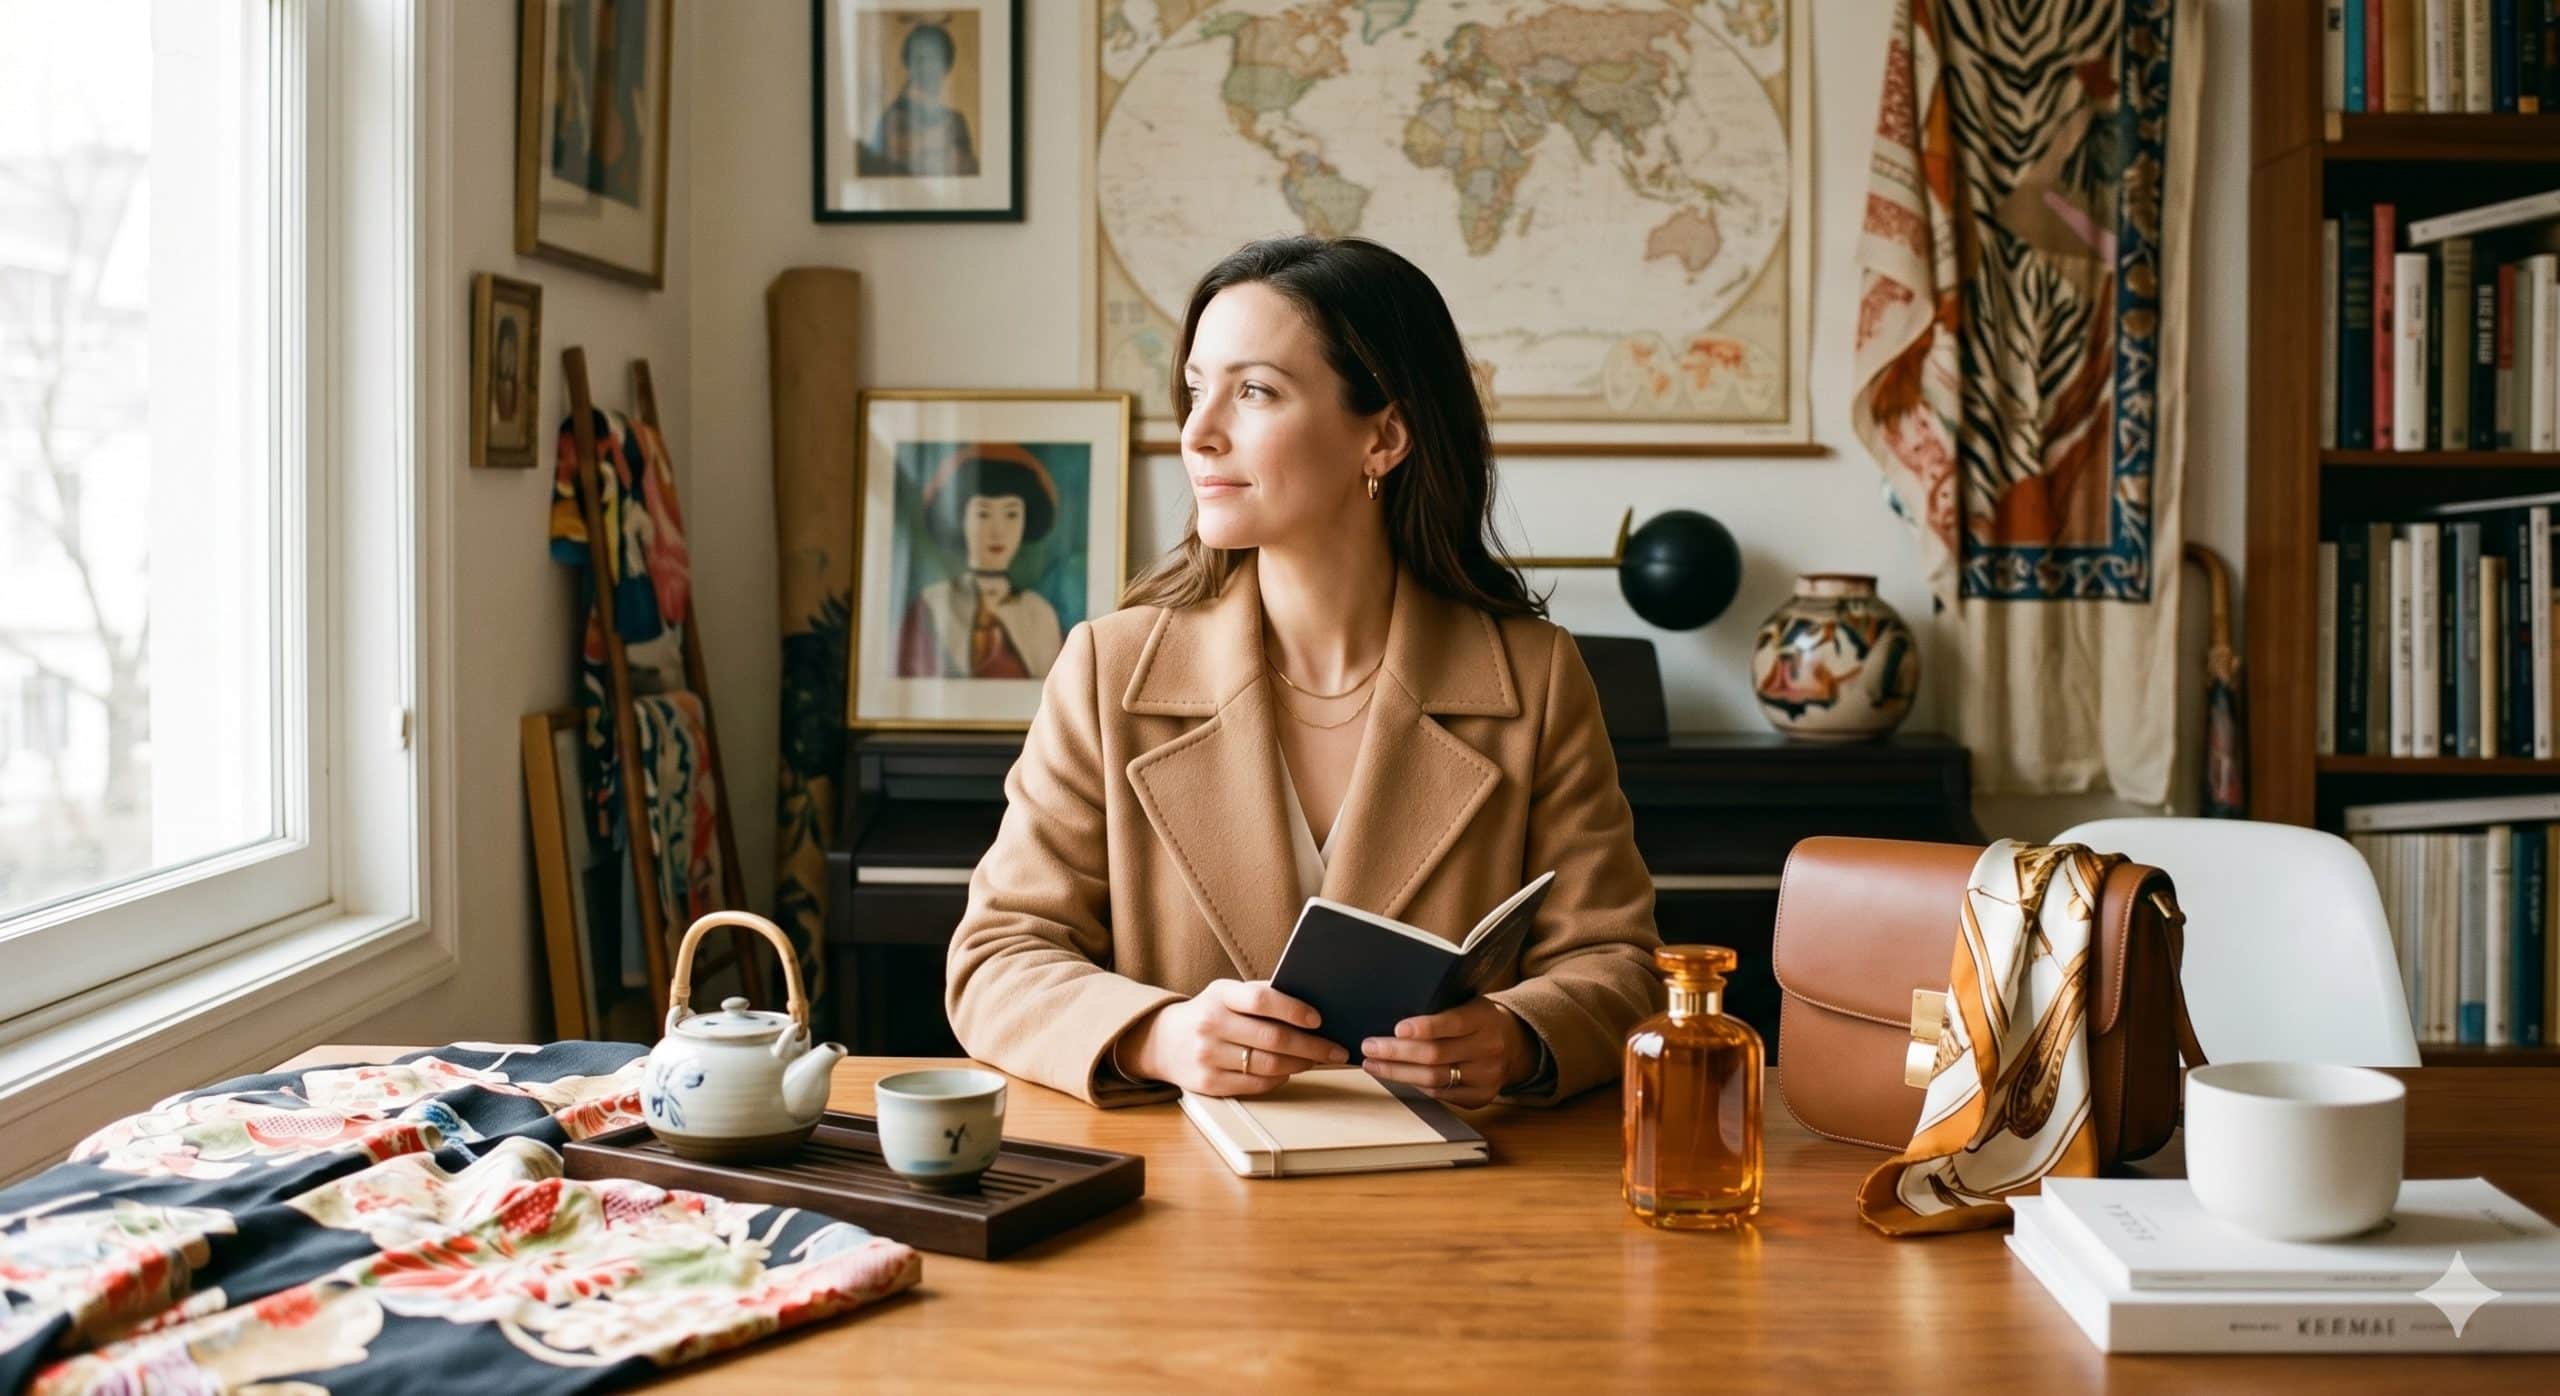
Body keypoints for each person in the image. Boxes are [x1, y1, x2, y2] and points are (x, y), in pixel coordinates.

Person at [946, 236, 1662, 1110]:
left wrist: (1517, 1037)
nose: (1199, 433)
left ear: (1385, 436)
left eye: (1253, 392)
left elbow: (1620, 964)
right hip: (1179, 1199)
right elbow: (998, 958)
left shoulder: (1535, 677)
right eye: (1196, 390)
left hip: (1447, 1201)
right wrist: (1157, 1034)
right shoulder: (1109, 668)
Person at [896, 443, 1066, 679]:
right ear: (959, 519)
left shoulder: (1040, 615)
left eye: (1011, 514)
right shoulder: (929, 607)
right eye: (982, 514)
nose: (998, 531)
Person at [857, 22, 979, 178]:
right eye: (921, 58)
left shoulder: (956, 121)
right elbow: (879, 171)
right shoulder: (891, 118)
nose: (928, 66)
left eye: (936, 58)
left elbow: (969, 175)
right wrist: (926, 142)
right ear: (909, 63)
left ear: (946, 65)